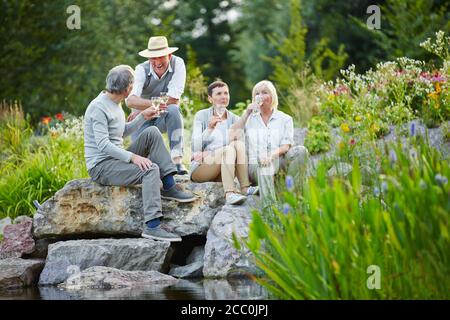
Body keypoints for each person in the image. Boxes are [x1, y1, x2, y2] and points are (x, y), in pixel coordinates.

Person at [84, 65, 196, 242]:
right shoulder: (98, 107)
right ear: (128, 88)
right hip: (102, 166)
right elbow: (103, 145)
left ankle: (169, 186)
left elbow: (120, 133)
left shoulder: (115, 103)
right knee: (150, 169)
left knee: (152, 133)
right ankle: (152, 225)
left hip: (115, 159)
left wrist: (143, 117)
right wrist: (133, 157)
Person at [230, 80, 309, 202]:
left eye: (264, 92)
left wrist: (271, 155)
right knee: (265, 163)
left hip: (278, 160)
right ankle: (270, 210)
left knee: (301, 151)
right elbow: (233, 136)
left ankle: (294, 197)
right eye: (257, 93)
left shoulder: (285, 119)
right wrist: (246, 113)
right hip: (256, 165)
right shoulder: (249, 118)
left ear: (272, 96)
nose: (260, 96)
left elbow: (286, 146)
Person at [126, 36, 188, 175]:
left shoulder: (178, 63)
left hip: (163, 116)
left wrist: (143, 105)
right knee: (146, 164)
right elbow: (130, 101)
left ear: (169, 55)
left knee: (173, 109)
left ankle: (177, 160)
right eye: (153, 58)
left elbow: (173, 100)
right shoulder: (141, 69)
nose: (157, 62)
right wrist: (147, 108)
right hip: (142, 119)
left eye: (161, 57)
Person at [190, 80, 259, 205]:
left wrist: (209, 152)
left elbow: (242, 150)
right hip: (201, 169)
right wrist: (209, 128)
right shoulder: (202, 116)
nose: (223, 97)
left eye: (226, 93)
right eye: (219, 94)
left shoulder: (234, 119)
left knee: (238, 145)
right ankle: (229, 194)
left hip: (223, 170)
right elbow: (195, 147)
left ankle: (245, 188)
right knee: (228, 149)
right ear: (210, 99)